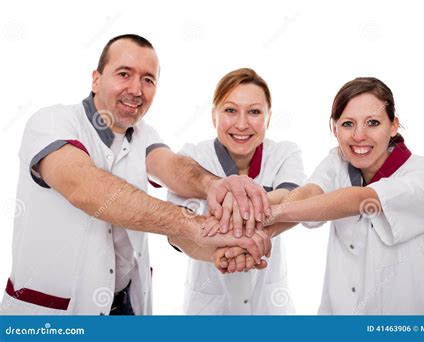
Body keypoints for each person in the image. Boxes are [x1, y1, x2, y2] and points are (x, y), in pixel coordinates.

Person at [0, 34, 272, 316]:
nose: (136, 89)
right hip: (53, 314)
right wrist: (198, 226)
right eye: (124, 74)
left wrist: (215, 185)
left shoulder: (143, 134)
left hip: (127, 307)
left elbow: (173, 167)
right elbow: (84, 188)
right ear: (96, 79)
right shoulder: (52, 122)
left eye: (148, 80)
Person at [215, 77, 424, 315]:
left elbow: (360, 200)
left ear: (393, 125)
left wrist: (264, 215)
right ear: (333, 128)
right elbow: (308, 194)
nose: (359, 135)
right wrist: (253, 237)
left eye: (373, 122)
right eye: (348, 124)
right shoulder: (337, 161)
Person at [167, 68, 306, 314]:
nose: (242, 124)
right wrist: (220, 254)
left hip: (270, 307)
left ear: (268, 118)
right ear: (214, 116)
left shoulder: (285, 153)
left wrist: (233, 201)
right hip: (208, 307)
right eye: (230, 110)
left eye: (254, 112)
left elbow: (294, 199)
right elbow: (178, 233)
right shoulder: (191, 158)